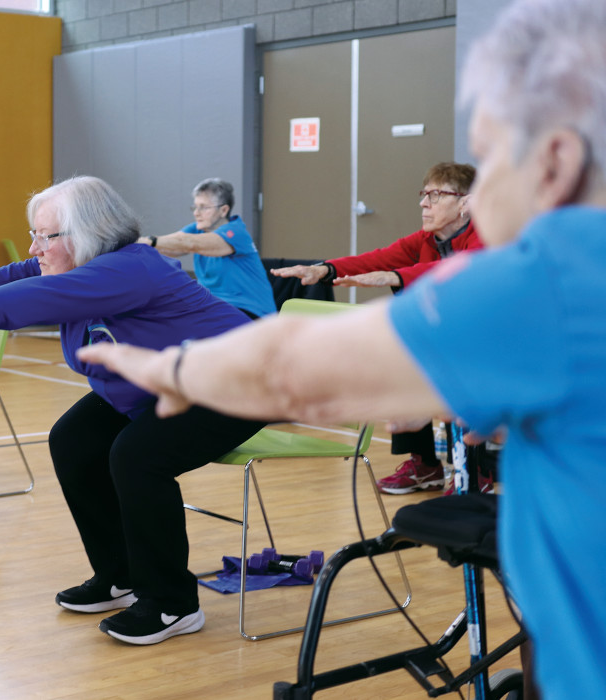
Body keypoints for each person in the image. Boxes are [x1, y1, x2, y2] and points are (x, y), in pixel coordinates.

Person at [78, 0, 606, 695]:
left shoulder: (549, 274)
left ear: (557, 159)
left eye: (491, 155)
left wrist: (177, 367)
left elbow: (301, 366)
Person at [0, 175, 265, 645]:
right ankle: (119, 574)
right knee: (74, 441)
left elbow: (27, 298)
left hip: (233, 383)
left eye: (45, 235)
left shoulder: (130, 268)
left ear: (88, 234)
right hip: (160, 383)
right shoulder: (69, 266)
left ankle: (171, 603)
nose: (34, 247)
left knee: (138, 457)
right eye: (34, 234)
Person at [272, 162, 483, 496]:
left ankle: (475, 473)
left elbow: (463, 271)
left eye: (436, 195)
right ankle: (426, 465)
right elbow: (379, 258)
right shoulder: (426, 239)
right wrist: (325, 270)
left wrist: (398, 277)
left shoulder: (487, 235)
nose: (423, 203)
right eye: (423, 194)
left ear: (465, 203)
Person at [142, 178, 276, 318]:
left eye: (203, 207)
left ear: (223, 210)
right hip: (215, 308)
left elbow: (190, 243)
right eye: (195, 207)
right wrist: (134, 244)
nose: (196, 213)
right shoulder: (198, 229)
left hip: (249, 312)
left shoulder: (236, 232)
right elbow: (170, 245)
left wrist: (148, 241)